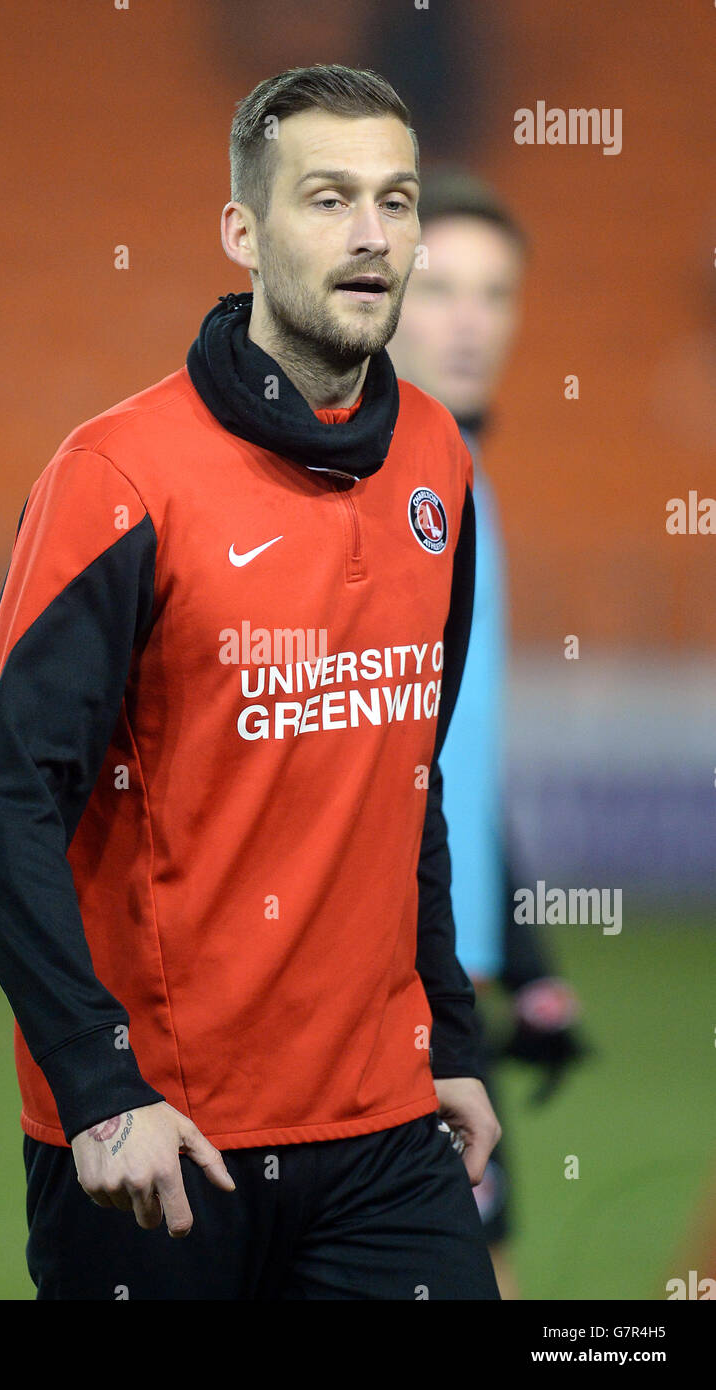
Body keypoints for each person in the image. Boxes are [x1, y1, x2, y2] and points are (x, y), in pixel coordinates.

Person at [0, 65, 501, 1301]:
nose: (371, 234)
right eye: (327, 198)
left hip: (380, 1130)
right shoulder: (116, 478)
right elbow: (5, 808)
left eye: (396, 200)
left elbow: (405, 782)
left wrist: (448, 1041)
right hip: (164, 1141)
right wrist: (100, 1094)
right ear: (243, 232)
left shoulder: (438, 462)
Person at [387, 169, 588, 1299]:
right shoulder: (376, 497)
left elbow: (447, 767)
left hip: (443, 992)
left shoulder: (465, 483)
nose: (469, 320)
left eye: (494, 292)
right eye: (440, 286)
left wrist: (528, 963)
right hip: (383, 1003)